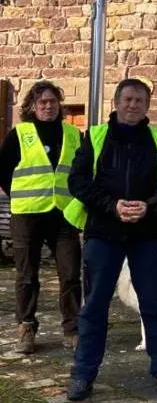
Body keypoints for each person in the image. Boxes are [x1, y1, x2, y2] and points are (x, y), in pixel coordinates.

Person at [64, 79, 157, 400]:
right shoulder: (95, 137)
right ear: (116, 102)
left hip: (146, 234)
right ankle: (83, 374)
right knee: (95, 307)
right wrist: (111, 206)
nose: (133, 105)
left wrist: (151, 206)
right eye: (127, 99)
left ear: (148, 104)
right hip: (104, 232)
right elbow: (77, 182)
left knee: (154, 305)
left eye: (139, 100)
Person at [0, 81, 82, 355]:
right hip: (27, 214)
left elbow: (81, 172)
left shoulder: (73, 134)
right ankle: (26, 327)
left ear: (60, 105)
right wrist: (19, 194)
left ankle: (72, 329)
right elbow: (3, 171)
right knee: (26, 275)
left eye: (53, 102)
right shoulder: (19, 134)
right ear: (32, 106)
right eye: (42, 102)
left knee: (70, 273)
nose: (48, 106)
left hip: (63, 214)